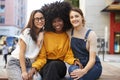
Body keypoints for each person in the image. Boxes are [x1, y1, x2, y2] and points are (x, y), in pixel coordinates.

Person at [28, 1, 80, 80]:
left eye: (59, 20)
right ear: (50, 23)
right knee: (49, 68)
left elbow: (68, 55)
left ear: (64, 20)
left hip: (59, 66)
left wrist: (74, 61)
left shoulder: (67, 36)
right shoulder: (46, 35)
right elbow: (42, 57)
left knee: (53, 65)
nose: (57, 24)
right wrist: (34, 67)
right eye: (54, 22)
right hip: (45, 65)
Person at [6, 9, 45, 80]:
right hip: (15, 62)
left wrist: (42, 33)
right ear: (32, 20)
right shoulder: (27, 32)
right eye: (37, 19)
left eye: (42, 18)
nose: (40, 21)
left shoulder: (43, 35)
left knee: (38, 78)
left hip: (29, 65)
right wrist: (24, 72)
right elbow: (22, 53)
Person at [68, 7, 102, 80]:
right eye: (71, 17)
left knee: (76, 77)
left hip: (92, 66)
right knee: (73, 71)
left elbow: (92, 59)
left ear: (82, 17)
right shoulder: (69, 33)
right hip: (77, 64)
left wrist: (84, 71)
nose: (74, 19)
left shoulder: (91, 34)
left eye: (76, 16)